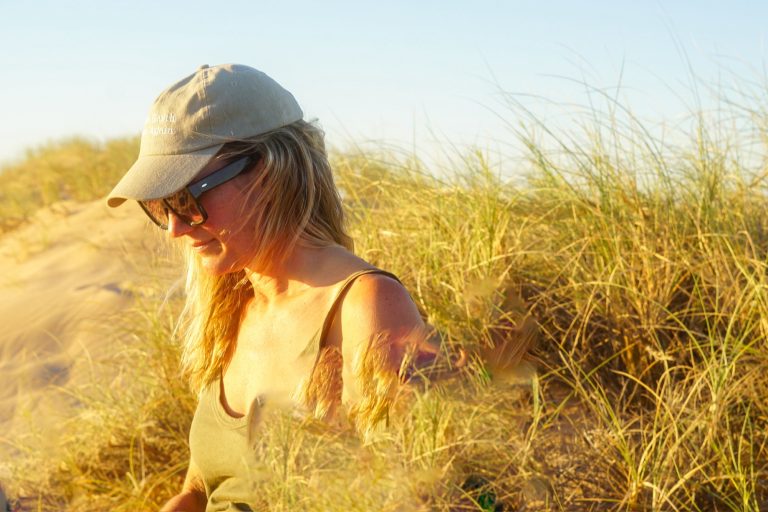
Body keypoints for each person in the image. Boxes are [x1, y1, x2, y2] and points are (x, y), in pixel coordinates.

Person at [107, 64, 469, 512]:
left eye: (186, 199)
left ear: (269, 171)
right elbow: (205, 485)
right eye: (159, 206)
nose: (174, 228)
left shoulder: (364, 306)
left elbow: (417, 494)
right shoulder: (230, 307)